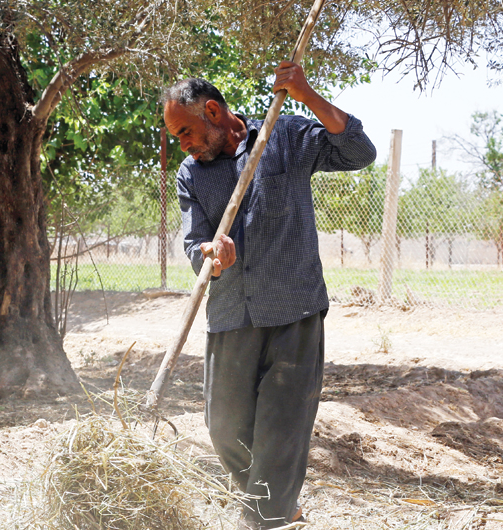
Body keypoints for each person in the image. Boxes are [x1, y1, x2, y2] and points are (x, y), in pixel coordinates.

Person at [161, 62, 377, 529]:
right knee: (224, 430)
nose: (183, 144)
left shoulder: (284, 135)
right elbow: (192, 242)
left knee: (281, 431)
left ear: (213, 112)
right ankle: (277, 507)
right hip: (230, 314)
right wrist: (209, 255)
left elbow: (359, 150)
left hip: (293, 312)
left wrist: (308, 95)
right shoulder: (191, 174)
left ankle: (268, 518)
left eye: (185, 132)